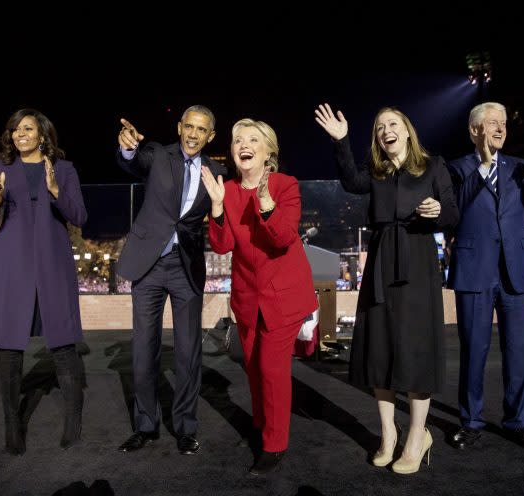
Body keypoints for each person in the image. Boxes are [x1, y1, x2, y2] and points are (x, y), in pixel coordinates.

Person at [315, 103, 459, 474]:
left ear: (407, 131)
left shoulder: (433, 166)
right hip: (380, 262)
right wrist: (341, 141)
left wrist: (435, 212)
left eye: (392, 124)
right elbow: (350, 181)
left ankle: (416, 436)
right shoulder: (375, 174)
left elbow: (453, 213)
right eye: (379, 128)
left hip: (418, 263)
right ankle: (388, 436)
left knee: (415, 350)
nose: (385, 131)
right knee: (379, 350)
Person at [446, 102, 524, 452]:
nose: (501, 129)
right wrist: (485, 165)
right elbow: (452, 210)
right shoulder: (457, 168)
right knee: (474, 350)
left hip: (515, 271)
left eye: (503, 123)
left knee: (518, 351)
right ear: (475, 130)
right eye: (492, 123)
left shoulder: (521, 167)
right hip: (474, 271)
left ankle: (516, 422)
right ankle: (471, 421)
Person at [201, 118, 317, 475]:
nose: (243, 144)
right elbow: (222, 246)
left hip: (283, 296)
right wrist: (218, 208)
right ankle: (264, 423)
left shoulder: (285, 185)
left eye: (253, 139)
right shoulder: (230, 190)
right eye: (238, 140)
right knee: (252, 367)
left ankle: (274, 444)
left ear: (269, 151)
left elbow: (282, 238)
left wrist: (266, 205)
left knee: (271, 368)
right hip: (249, 297)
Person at [115, 106, 226, 455]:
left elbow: (226, 217)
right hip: (148, 265)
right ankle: (145, 426)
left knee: (188, 353)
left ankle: (185, 428)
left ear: (211, 136)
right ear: (179, 127)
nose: (193, 134)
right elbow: (131, 163)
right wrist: (128, 147)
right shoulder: (156, 154)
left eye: (201, 130)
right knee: (144, 351)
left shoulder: (217, 171)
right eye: (188, 127)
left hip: (186, 268)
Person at [0, 108, 88, 455]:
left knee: (63, 342)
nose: (19, 134)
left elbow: (79, 216)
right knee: (9, 345)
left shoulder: (65, 170)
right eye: (14, 129)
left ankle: (73, 419)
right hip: (12, 263)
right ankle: (12, 423)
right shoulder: (1, 170)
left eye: (27, 128)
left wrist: (56, 190)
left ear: (42, 135)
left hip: (53, 261)